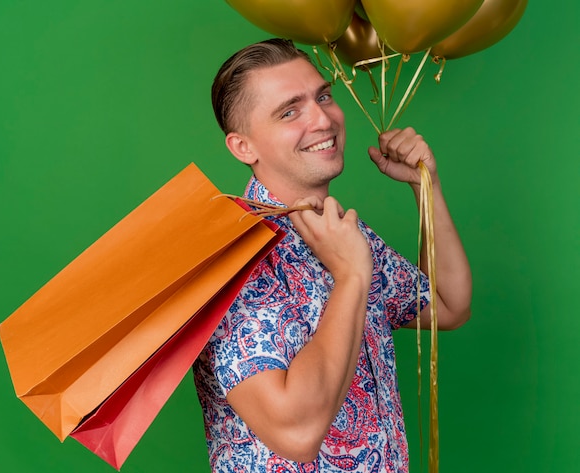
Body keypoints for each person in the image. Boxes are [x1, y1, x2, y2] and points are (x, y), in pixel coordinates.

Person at [193, 38, 472, 473]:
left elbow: (447, 305)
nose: (323, 119)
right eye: (290, 111)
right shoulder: (230, 256)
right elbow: (296, 434)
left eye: (323, 96)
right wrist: (352, 276)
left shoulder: (338, 229)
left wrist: (426, 187)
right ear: (243, 147)